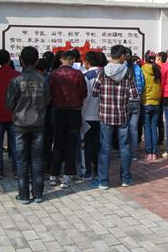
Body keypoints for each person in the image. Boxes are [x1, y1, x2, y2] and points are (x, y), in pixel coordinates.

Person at [6, 46, 50, 204]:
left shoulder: (15, 81)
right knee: (37, 160)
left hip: (20, 124)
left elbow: (9, 104)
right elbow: (47, 100)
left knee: (22, 160)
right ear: (37, 61)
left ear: (21, 61)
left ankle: (23, 195)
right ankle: (38, 194)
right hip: (38, 123)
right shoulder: (42, 80)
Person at [92, 45, 139, 189]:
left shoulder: (102, 72)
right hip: (122, 115)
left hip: (105, 115)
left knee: (105, 149)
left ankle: (103, 181)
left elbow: (94, 92)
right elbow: (134, 94)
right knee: (124, 148)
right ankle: (125, 179)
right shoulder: (128, 73)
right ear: (122, 56)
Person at [49, 50, 87, 188]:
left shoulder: (54, 74)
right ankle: (67, 176)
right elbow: (83, 92)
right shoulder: (77, 74)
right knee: (71, 144)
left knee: (57, 143)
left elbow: (50, 92)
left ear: (61, 60)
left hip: (58, 110)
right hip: (74, 111)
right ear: (72, 60)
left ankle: (53, 175)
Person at [0, 49, 20, 179]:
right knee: (15, 142)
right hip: (14, 113)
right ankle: (16, 170)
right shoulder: (17, 75)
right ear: (9, 59)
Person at [82, 51, 102, 180]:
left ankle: (87, 171)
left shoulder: (86, 76)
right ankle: (99, 170)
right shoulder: (104, 74)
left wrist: (81, 112)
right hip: (101, 115)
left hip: (87, 115)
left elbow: (85, 96)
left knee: (87, 145)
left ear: (87, 62)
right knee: (98, 145)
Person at [141, 51, 162, 161]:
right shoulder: (158, 69)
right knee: (154, 127)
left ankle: (149, 152)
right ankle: (154, 152)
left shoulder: (143, 69)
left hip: (146, 102)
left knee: (147, 128)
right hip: (157, 102)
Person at [126, 48, 144, 161]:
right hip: (137, 100)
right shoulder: (138, 68)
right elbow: (142, 84)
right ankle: (134, 154)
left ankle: (125, 152)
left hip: (125, 101)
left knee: (124, 128)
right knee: (134, 129)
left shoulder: (122, 68)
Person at [155, 51, 167, 146]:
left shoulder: (156, 67)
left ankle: (156, 138)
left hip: (158, 95)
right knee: (161, 119)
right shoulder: (167, 67)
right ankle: (161, 138)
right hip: (165, 95)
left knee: (156, 118)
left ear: (159, 58)